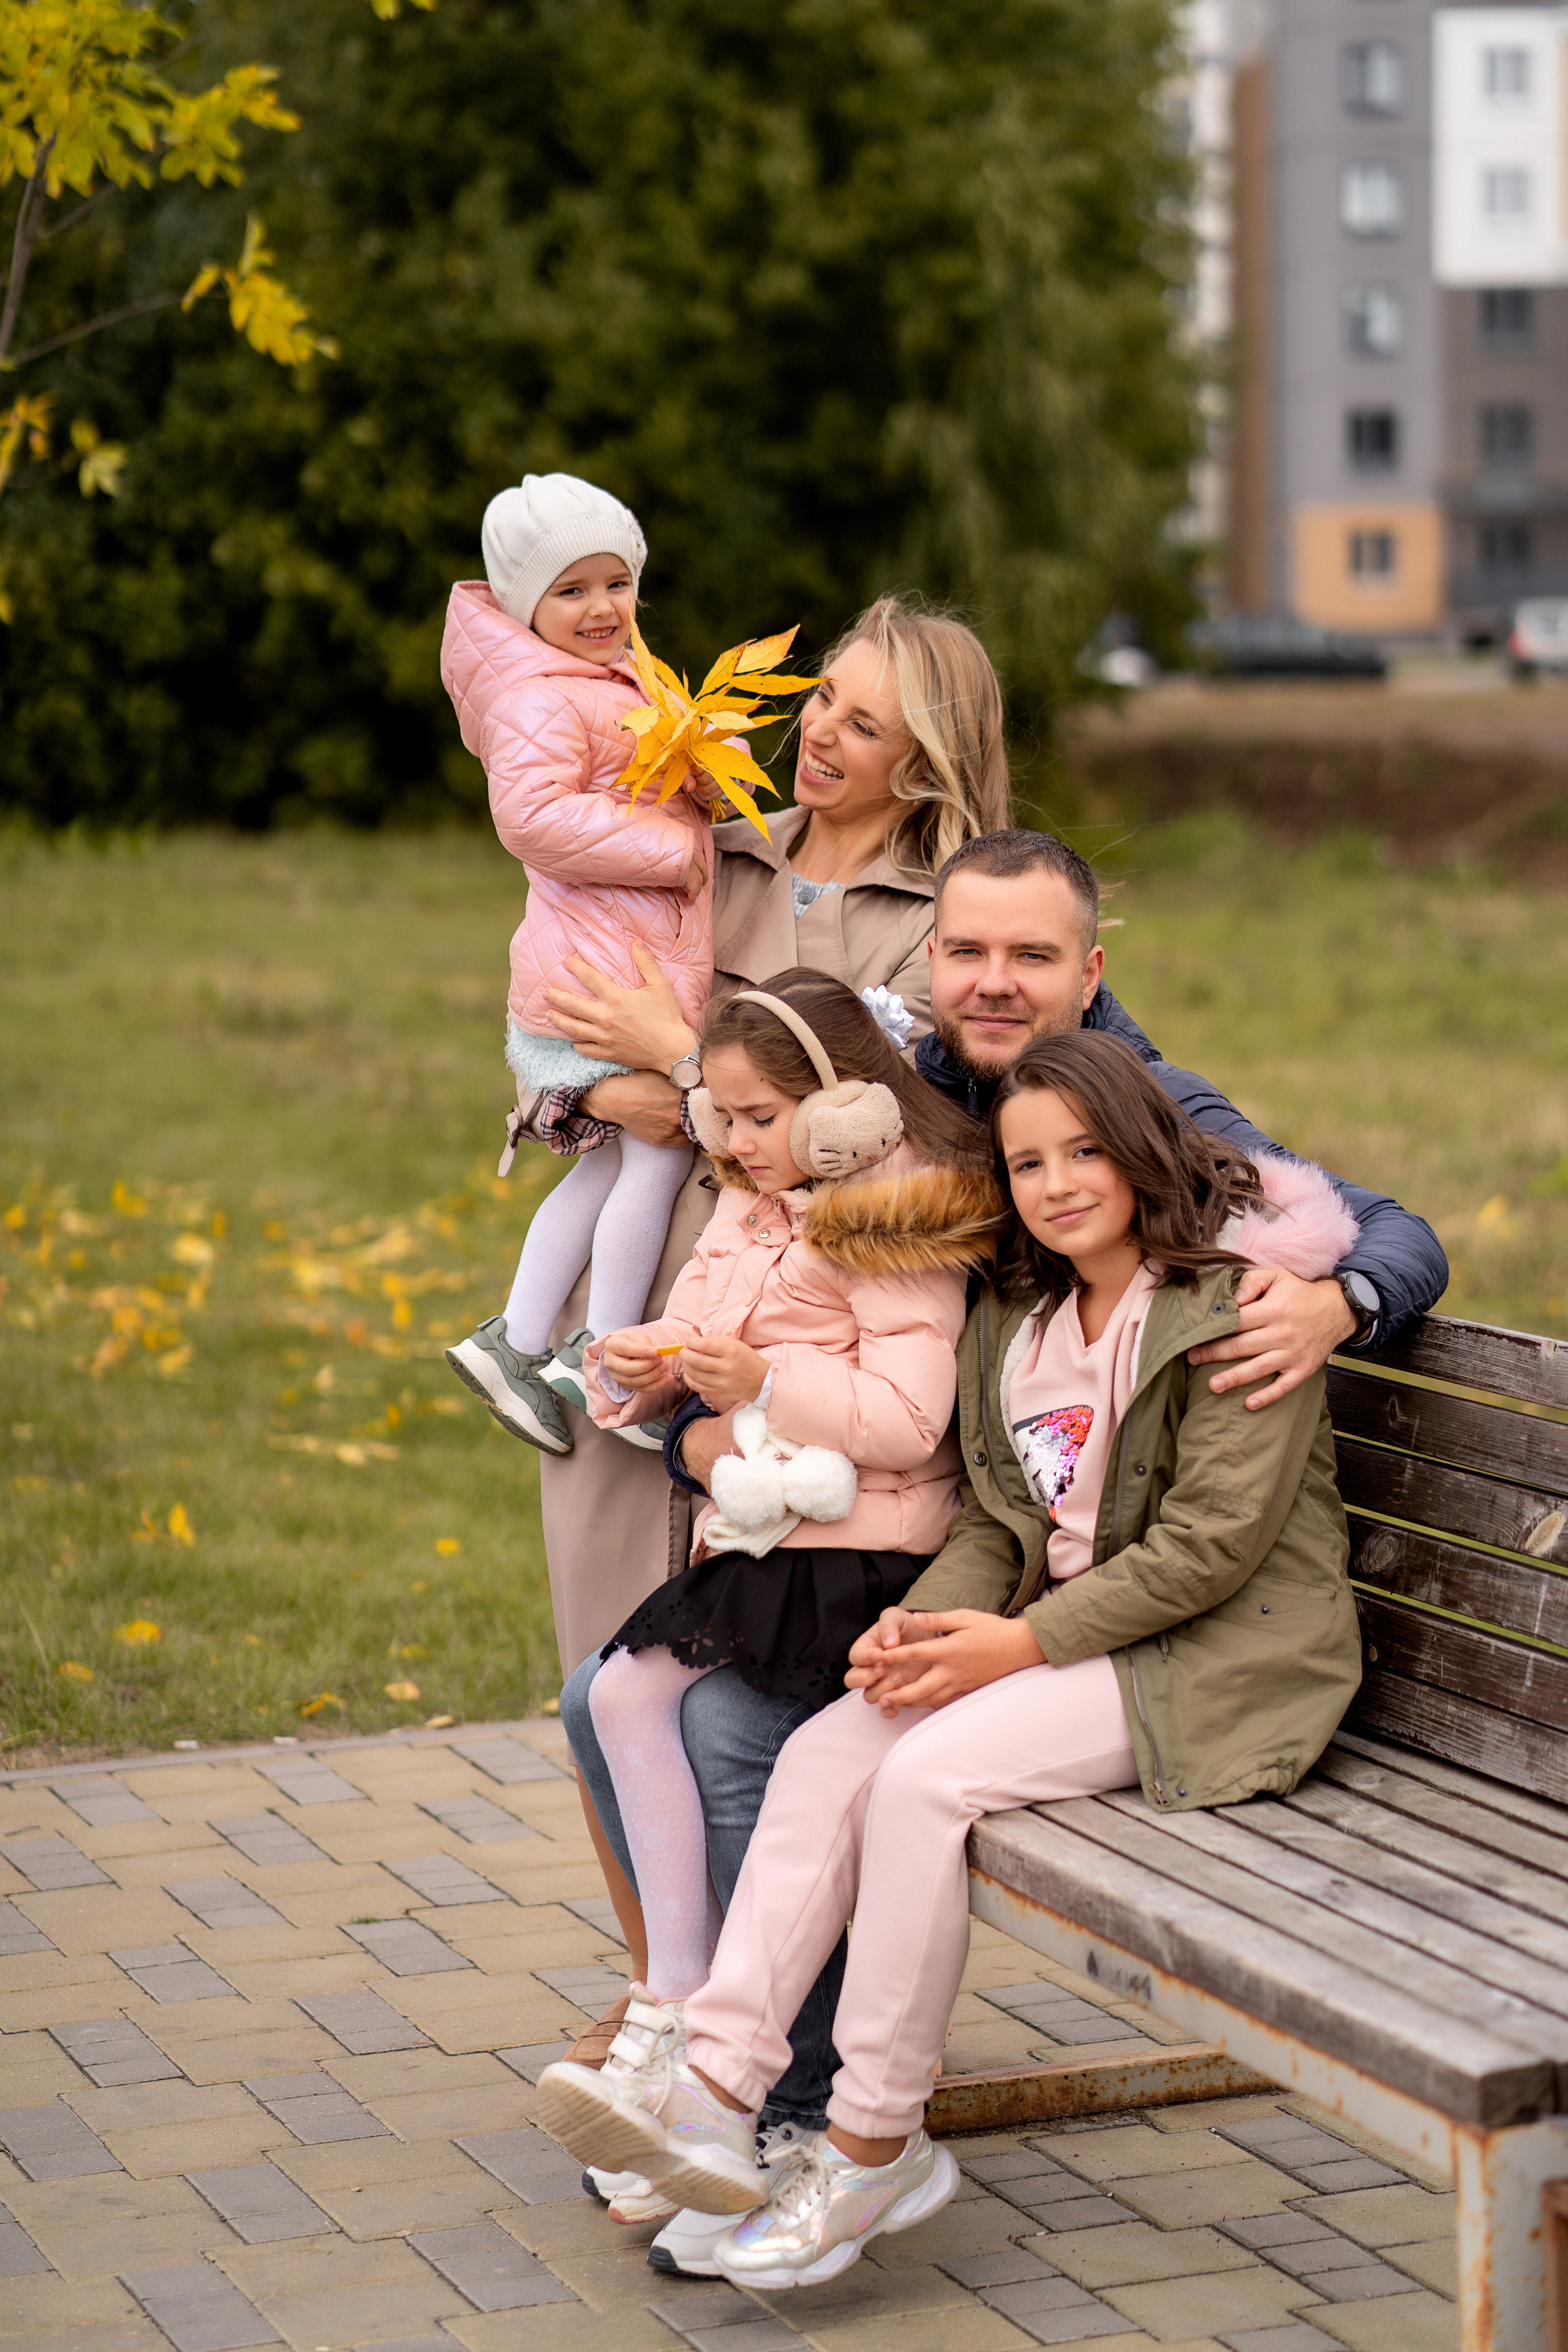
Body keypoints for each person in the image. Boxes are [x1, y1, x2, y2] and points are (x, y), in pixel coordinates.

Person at [562, 820, 1448, 2274]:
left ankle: (858, 2142)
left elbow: (1210, 1547)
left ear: (1087, 977)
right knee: (839, 1732)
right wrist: (929, 1625)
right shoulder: (1015, 1295)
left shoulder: (1216, 1292)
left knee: (899, 1769)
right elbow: (998, 1503)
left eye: (1028, 955)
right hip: (1029, 1614)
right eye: (963, 951)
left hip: (1188, 1657)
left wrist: (1341, 1296)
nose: (1049, 1180)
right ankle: (715, 2094)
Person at [524, 597, 1014, 2070]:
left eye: (863, 724)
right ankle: (659, 1984)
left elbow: (887, 1114)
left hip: (823, 1353)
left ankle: (773, 2028)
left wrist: (674, 1065)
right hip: (652, 1319)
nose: (818, 734)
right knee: (606, 1669)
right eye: (818, 702)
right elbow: (566, 1047)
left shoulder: (945, 926)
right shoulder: (704, 856)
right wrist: (601, 1085)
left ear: (923, 763)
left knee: (736, 1696)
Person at [541, 974, 997, 2216]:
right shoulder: (754, 1206)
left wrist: (758, 1381)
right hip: (771, 1542)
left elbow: (909, 1422)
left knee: (729, 1733)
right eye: (720, 1118)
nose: (730, 1146)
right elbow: (693, 1361)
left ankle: (781, 2099)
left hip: (869, 1565)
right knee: (597, 1698)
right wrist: (634, 1379)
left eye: (756, 1118)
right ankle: (678, 2014)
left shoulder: (892, 1214)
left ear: (843, 1108)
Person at [439, 471, 710, 1458]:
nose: (601, 609)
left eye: (616, 583)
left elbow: (647, 776)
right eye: (571, 591)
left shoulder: (607, 681)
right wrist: (674, 846)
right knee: (659, 1151)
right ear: (524, 604)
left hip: (605, 964)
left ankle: (516, 1339)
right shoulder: (537, 697)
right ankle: (601, 1347)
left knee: (607, 1167)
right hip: (598, 982)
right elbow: (536, 817)